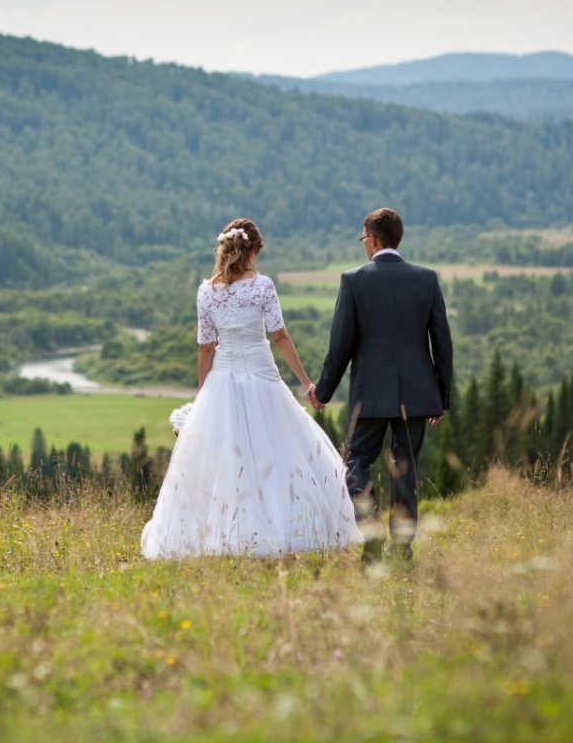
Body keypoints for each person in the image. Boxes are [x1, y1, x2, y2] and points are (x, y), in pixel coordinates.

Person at [140, 218, 361, 559]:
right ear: (253, 250)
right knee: (277, 449)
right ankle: (282, 527)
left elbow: (205, 347)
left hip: (222, 378)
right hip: (261, 375)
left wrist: (203, 393)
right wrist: (306, 383)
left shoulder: (206, 291)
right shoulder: (262, 286)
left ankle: (217, 533)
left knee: (223, 455)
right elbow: (280, 336)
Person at [309, 208, 453, 562]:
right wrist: (441, 398)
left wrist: (323, 391)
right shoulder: (427, 279)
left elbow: (340, 345)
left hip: (369, 395)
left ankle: (370, 530)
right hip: (418, 396)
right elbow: (443, 343)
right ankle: (402, 548)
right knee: (405, 468)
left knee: (357, 460)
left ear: (372, 239)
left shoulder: (354, 281)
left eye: (363, 239)